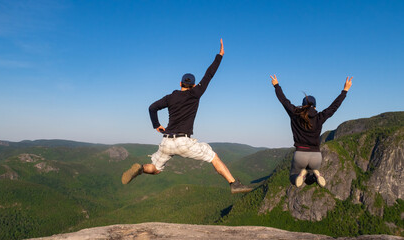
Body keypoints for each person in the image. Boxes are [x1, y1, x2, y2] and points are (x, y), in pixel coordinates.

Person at [122, 39, 253, 194]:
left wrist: (156, 125)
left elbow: (152, 107)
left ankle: (141, 169)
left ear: (180, 83)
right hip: (184, 142)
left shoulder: (171, 97)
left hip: (167, 141)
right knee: (214, 158)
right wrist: (220, 55)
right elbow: (209, 74)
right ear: (193, 85)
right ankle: (234, 184)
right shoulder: (195, 93)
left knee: (156, 168)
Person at [270, 74, 353, 187]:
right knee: (309, 181)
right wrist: (345, 90)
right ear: (315, 107)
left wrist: (276, 86)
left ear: (303, 105)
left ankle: (301, 175)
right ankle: (315, 175)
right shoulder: (319, 117)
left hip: (300, 154)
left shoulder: (295, 113)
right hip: (316, 155)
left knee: (293, 176)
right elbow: (333, 107)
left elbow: (284, 101)